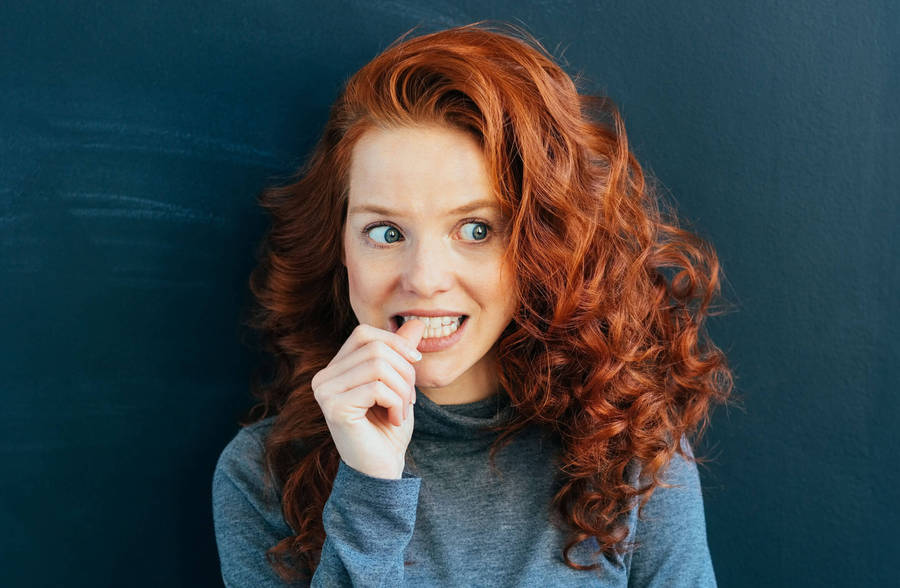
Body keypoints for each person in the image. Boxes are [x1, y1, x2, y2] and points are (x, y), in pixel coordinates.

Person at [212, 21, 734, 587]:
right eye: (386, 233)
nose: (424, 279)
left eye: (476, 229)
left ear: (540, 245)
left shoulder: (633, 452)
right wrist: (369, 492)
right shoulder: (261, 475)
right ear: (339, 247)